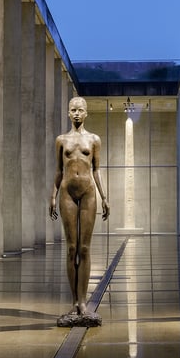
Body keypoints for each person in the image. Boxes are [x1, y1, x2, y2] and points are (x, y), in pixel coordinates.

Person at [49, 97, 110, 326]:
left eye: (80, 110)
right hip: (67, 193)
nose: (76, 113)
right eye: (73, 110)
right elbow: (58, 170)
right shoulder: (61, 140)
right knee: (71, 247)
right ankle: (74, 301)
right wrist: (52, 196)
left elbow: (97, 169)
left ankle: (83, 302)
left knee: (84, 248)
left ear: (86, 113)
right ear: (68, 113)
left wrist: (104, 197)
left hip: (88, 193)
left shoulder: (94, 139)